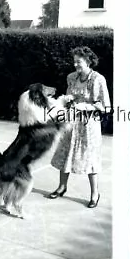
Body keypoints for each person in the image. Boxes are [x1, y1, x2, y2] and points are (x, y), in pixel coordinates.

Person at [47, 46, 111, 208]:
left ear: (88, 61)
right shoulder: (71, 77)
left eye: (79, 61)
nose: (75, 64)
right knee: (65, 153)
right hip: (71, 122)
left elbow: (105, 107)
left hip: (89, 125)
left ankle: (94, 194)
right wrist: (67, 100)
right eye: (74, 61)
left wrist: (85, 107)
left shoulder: (98, 79)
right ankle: (62, 187)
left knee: (90, 157)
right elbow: (70, 98)